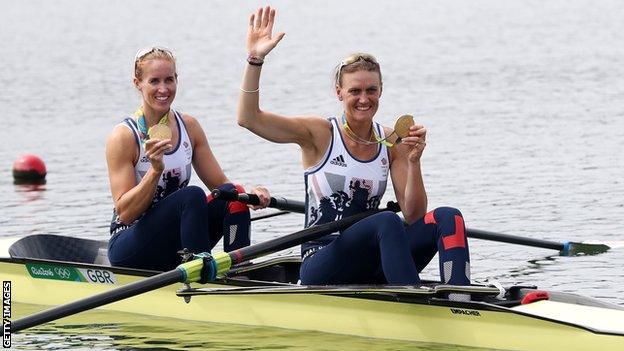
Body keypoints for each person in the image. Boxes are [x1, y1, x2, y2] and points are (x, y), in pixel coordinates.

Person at [236, 7, 471, 294]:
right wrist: (255, 59)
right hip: (321, 260)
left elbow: (413, 215)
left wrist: (414, 161)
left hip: (374, 257)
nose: (363, 99)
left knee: (448, 216)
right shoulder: (319, 134)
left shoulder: (391, 141)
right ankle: (411, 299)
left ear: (381, 91)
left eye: (371, 90)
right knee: (385, 220)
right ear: (339, 93)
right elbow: (248, 118)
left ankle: (462, 298)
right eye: (355, 91)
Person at [106, 46, 270, 271]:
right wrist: (155, 171)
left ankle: (240, 273)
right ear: (138, 83)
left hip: (175, 241)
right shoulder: (124, 136)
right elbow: (125, 214)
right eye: (154, 81)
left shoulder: (189, 127)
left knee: (234, 196)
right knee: (191, 196)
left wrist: (253, 194)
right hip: (129, 244)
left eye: (169, 80)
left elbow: (222, 187)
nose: (163, 89)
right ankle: (200, 272)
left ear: (177, 80)